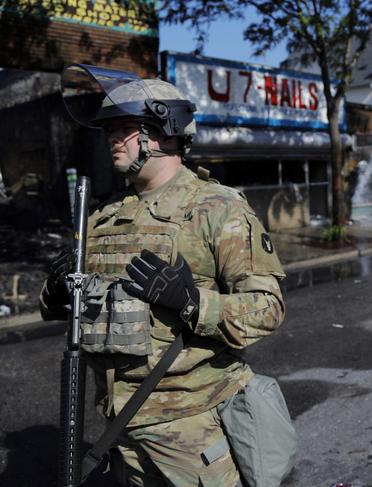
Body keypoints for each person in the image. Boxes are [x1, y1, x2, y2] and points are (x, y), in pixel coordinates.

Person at [40, 69, 287, 486]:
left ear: (165, 131)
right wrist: (57, 290)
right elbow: (78, 309)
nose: (111, 139)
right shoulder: (103, 215)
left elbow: (269, 308)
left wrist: (193, 303)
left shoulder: (217, 208)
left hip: (190, 430)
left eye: (124, 128)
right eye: (108, 130)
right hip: (119, 425)